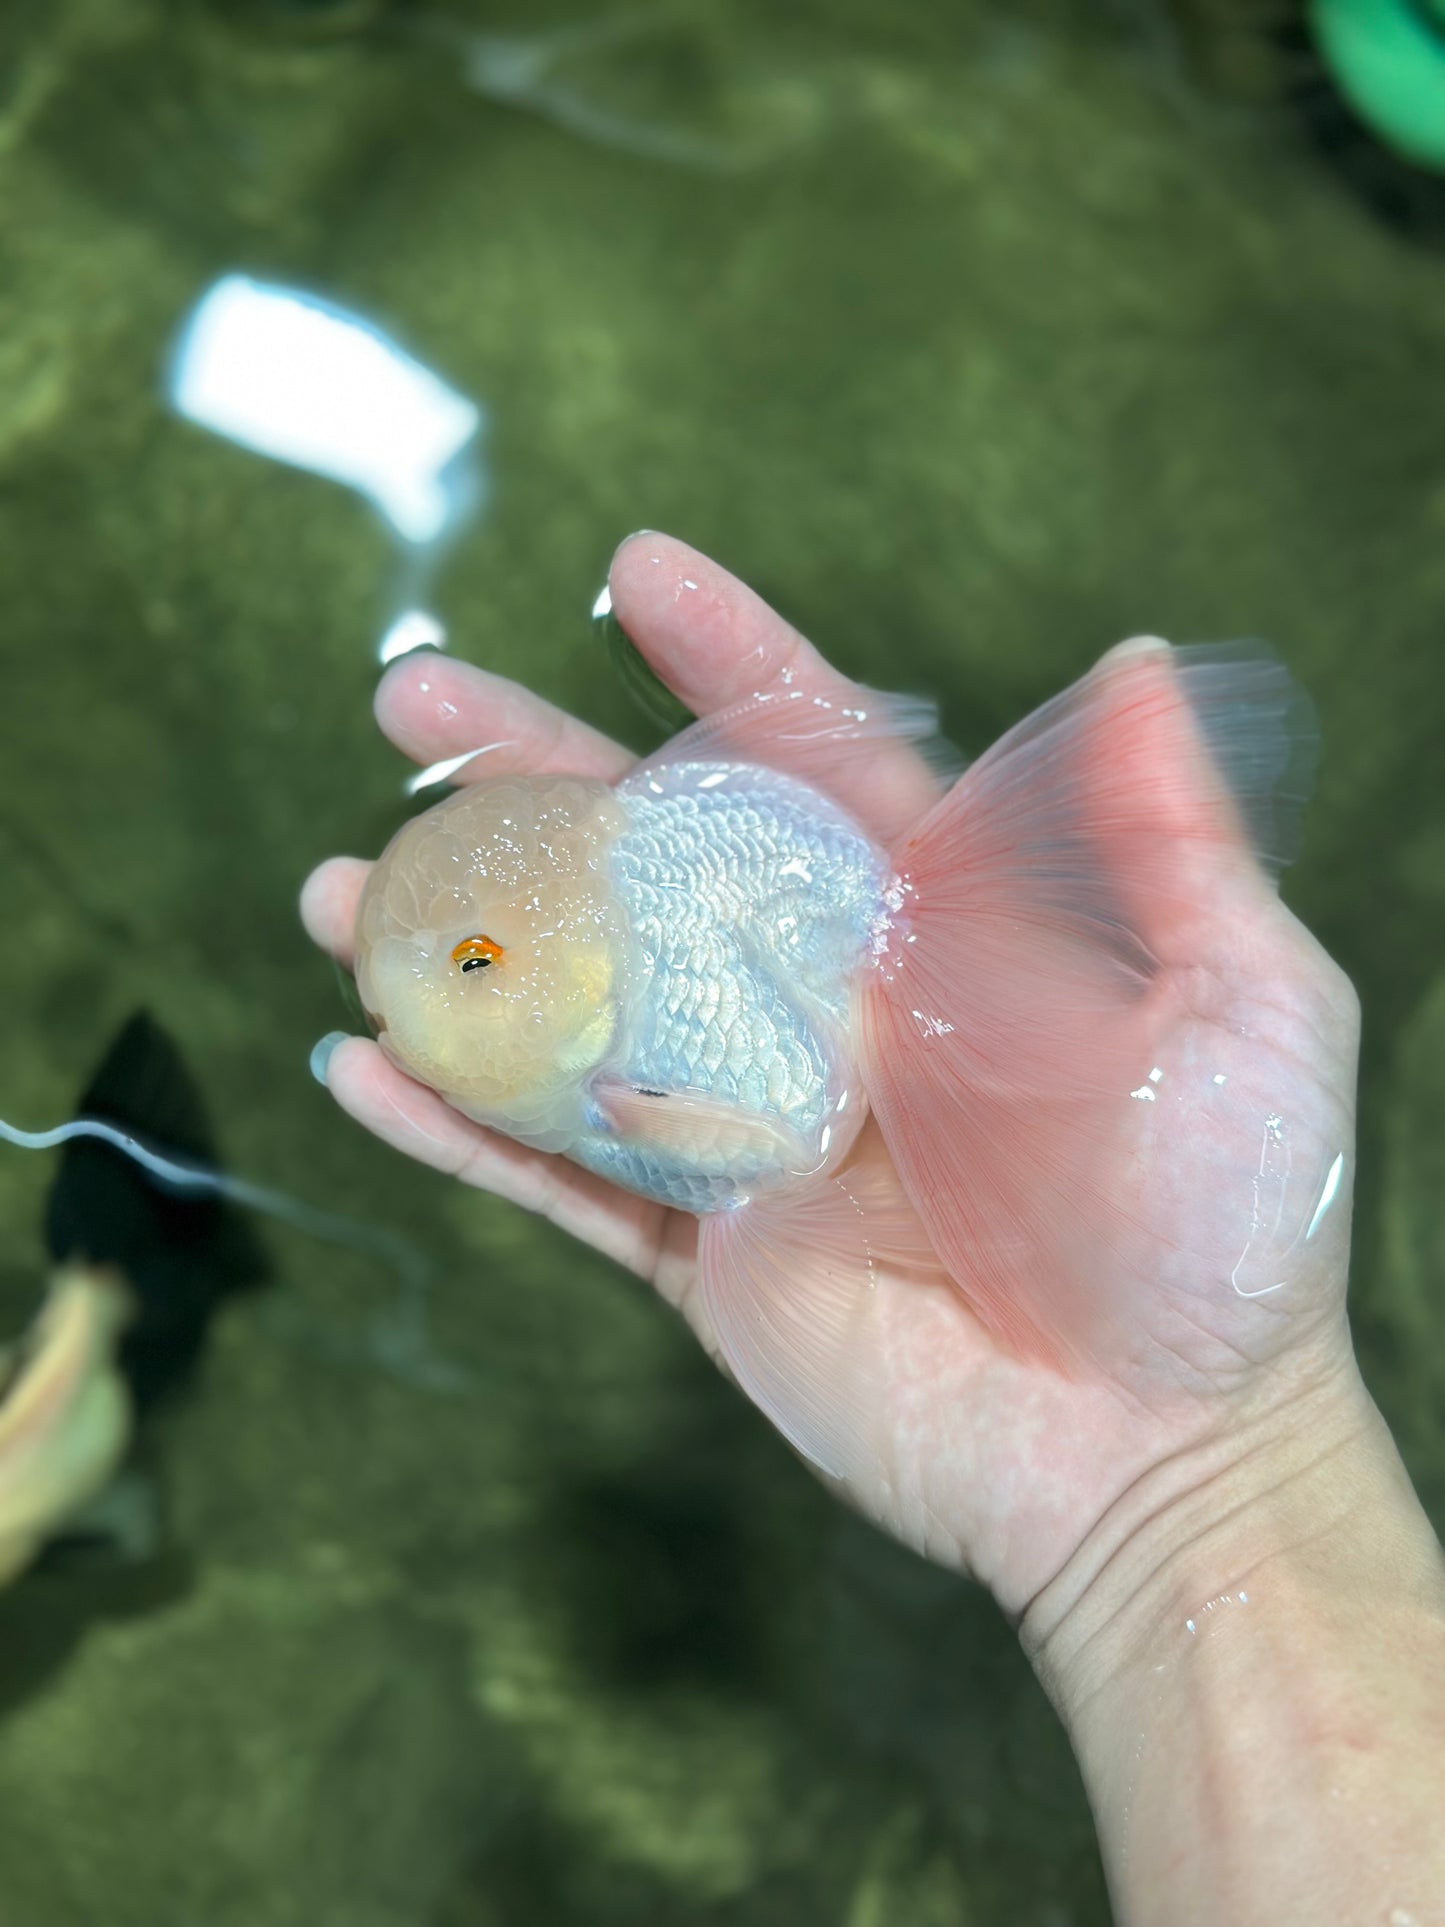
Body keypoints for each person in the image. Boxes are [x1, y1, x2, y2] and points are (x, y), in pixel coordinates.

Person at [302, 533, 1445, 1924]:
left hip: (798, 1014)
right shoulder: (618, 944)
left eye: (472, 963)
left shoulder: (640, 1009)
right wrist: (1207, 1490)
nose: (416, 995)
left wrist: (1205, 1470)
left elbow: (752, 1148)